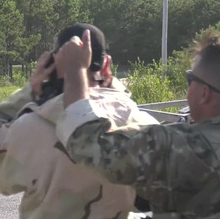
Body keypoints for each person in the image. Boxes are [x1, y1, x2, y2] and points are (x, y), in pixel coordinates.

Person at [0, 23, 158, 219]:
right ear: (106, 65)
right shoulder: (142, 122)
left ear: (52, 66)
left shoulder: (30, 128)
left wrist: (28, 92)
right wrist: (112, 86)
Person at [54, 29, 220, 219]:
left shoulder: (183, 147)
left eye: (190, 79)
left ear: (205, 93)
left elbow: (87, 141)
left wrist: (75, 70)